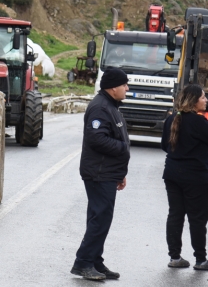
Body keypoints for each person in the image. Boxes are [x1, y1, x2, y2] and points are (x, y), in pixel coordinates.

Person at [71, 67, 130, 281]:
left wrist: (119, 173)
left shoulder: (110, 106)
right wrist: (123, 148)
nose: (127, 88)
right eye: (124, 84)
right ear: (113, 87)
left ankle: (95, 260)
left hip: (107, 172)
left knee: (100, 218)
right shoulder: (100, 108)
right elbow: (97, 139)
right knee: (100, 220)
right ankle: (83, 263)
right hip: (98, 173)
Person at [161, 84, 208, 271]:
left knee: (175, 215)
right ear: (194, 101)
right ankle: (201, 259)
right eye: (203, 97)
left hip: (172, 173)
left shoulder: (172, 119)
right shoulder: (198, 122)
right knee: (197, 218)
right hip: (195, 177)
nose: (206, 100)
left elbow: (165, 146)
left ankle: (174, 256)